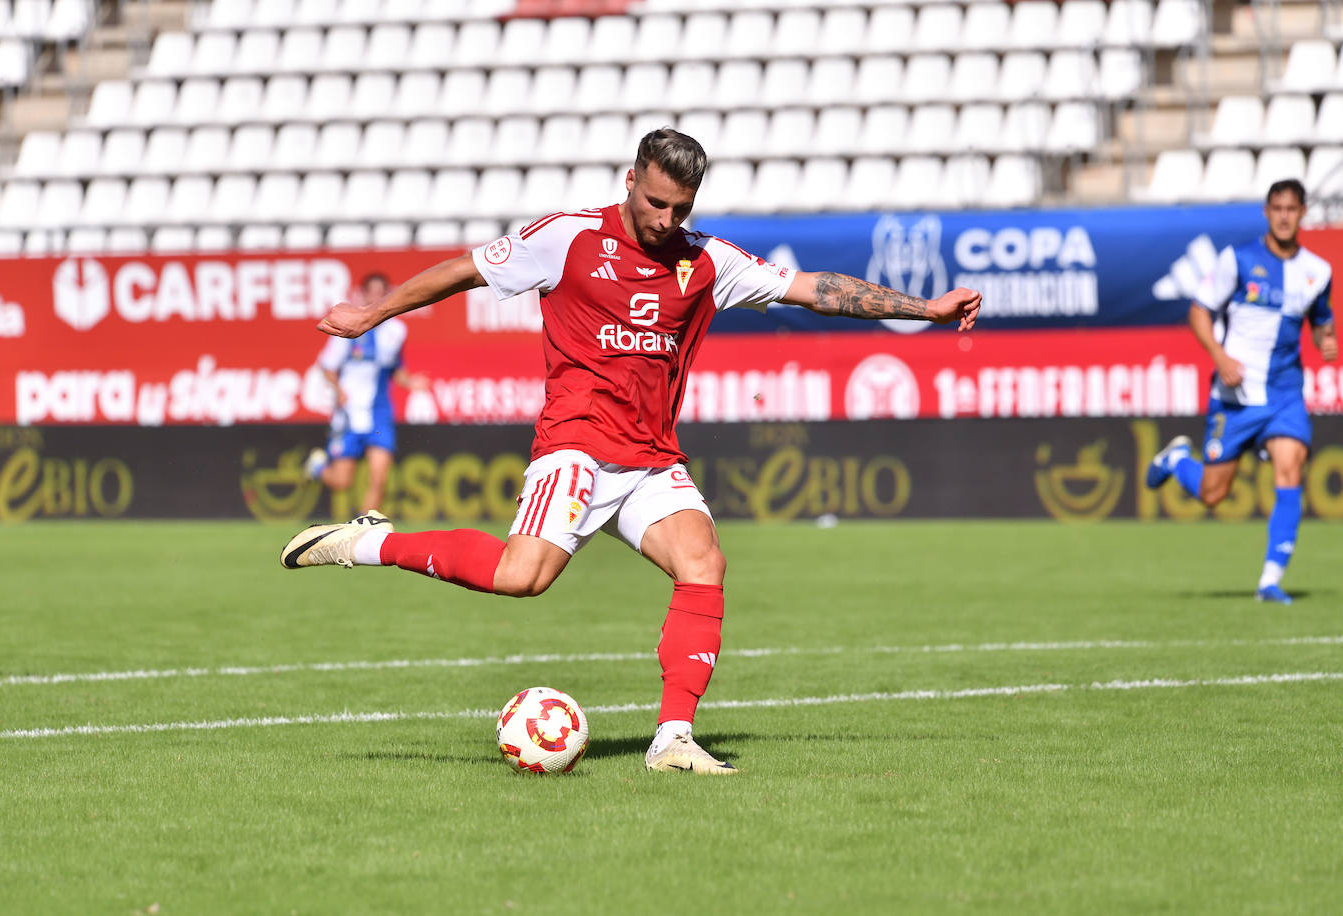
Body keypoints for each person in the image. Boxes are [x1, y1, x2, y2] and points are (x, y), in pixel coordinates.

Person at [281, 129, 982, 773]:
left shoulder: (706, 261)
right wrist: (374, 313)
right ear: (629, 181)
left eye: (680, 208)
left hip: (650, 457)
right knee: (522, 579)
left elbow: (815, 292)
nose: (665, 220)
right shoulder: (567, 238)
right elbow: (465, 270)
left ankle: (672, 739)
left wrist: (925, 310)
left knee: (704, 561)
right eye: (655, 203)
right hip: (577, 447)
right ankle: (368, 544)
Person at [1146, 178, 1335, 604]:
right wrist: (1219, 356)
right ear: (1267, 212)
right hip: (1236, 395)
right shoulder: (1238, 259)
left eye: (1292, 209)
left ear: (1303, 213)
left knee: (1291, 467)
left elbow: (1323, 320)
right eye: (1277, 208)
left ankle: (1270, 580)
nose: (1284, 216)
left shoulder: (1317, 271)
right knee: (1214, 493)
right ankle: (1178, 460)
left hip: (1285, 392)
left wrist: (1328, 338)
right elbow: (1199, 310)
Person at [302, 272, 430, 515]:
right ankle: (317, 467)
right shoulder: (349, 325)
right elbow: (328, 366)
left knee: (379, 478)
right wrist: (339, 391)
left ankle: (362, 535)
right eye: (371, 291)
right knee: (342, 481)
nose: (376, 297)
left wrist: (412, 382)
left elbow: (395, 369)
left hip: (379, 412)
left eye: (381, 292)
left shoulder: (397, 331)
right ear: (363, 294)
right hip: (349, 412)